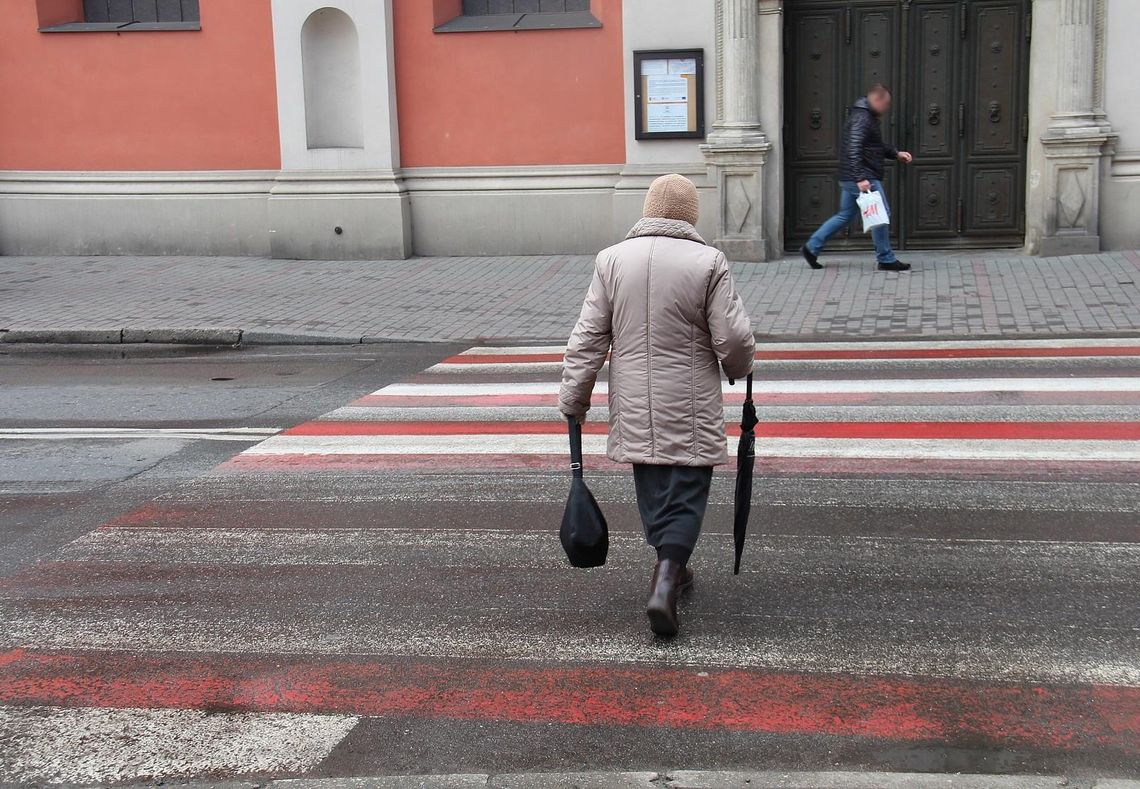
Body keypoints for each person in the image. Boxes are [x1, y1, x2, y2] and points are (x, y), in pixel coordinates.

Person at [559, 174, 755, 638]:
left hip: (634, 405)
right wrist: (740, 364)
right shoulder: (709, 262)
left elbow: (588, 336)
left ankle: (672, 568)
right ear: (690, 216)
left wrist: (574, 395)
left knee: (652, 484)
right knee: (687, 489)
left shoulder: (612, 260)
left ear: (648, 211)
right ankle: (666, 577)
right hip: (690, 403)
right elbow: (732, 339)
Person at [801, 84, 915, 272]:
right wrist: (860, 178)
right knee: (881, 213)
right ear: (876, 100)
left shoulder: (865, 116)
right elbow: (853, 149)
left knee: (845, 215)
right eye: (885, 104)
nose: (887, 108)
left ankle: (811, 247)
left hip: (851, 175)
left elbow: (874, 146)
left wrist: (895, 153)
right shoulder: (862, 119)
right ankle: (885, 258)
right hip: (862, 175)